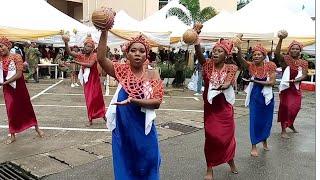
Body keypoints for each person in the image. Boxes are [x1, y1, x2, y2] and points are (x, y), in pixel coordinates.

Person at [97, 29, 163, 179]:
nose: (137, 53)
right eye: (133, 50)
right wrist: (104, 31)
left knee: (150, 161)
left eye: (142, 50)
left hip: (144, 129)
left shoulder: (152, 74)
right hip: (123, 128)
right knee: (125, 164)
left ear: (147, 55)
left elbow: (157, 102)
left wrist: (134, 100)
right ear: (127, 54)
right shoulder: (122, 71)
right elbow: (101, 58)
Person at [193, 24, 238, 180]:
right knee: (212, 137)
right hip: (211, 108)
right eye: (214, 50)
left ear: (226, 55)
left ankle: (230, 160)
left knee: (226, 136)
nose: (215, 53)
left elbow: (228, 81)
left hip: (224, 107)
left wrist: (223, 86)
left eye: (219, 51)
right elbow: (199, 54)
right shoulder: (207, 66)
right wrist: (195, 38)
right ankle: (210, 167)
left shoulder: (231, 67)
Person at [0, 37, 44, 144]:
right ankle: (13, 134)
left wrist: (4, 83)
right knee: (10, 110)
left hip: (19, 87)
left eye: (1, 46)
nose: (0, 49)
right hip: (8, 89)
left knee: (26, 107)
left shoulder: (16, 57)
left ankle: (37, 128)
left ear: (8, 46)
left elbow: (19, 75)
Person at [236, 44, 276, 157]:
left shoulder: (270, 65)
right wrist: (239, 49)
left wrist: (254, 81)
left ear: (264, 56)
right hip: (255, 96)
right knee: (254, 120)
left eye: (259, 54)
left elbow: (271, 83)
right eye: (254, 55)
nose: (256, 56)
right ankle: (253, 145)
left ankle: (264, 140)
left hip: (267, 97)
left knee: (266, 120)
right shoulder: (251, 66)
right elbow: (240, 59)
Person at [62, 35, 106, 126]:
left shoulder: (94, 55)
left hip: (94, 80)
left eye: (89, 46)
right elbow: (69, 52)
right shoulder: (82, 55)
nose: (87, 48)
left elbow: (89, 65)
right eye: (86, 46)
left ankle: (103, 115)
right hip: (87, 81)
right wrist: (66, 43)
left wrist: (76, 62)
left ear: (93, 48)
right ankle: (90, 118)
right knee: (89, 99)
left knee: (98, 99)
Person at [274, 31, 308, 139]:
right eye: (293, 48)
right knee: (286, 107)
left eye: (297, 49)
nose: (295, 50)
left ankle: (291, 123)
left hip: (295, 88)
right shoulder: (286, 59)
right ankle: (283, 129)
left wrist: (295, 80)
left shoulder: (304, 62)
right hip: (286, 88)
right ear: (289, 50)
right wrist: (280, 39)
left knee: (296, 108)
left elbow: (304, 75)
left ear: (300, 50)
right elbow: (276, 53)